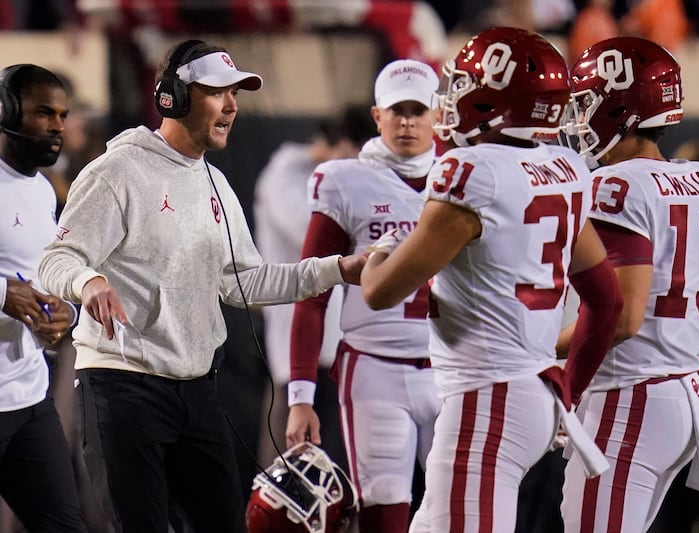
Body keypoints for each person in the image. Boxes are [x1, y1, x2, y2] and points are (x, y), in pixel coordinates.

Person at [37, 39, 365, 533]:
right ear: (174, 98)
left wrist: (338, 269)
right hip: (124, 387)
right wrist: (89, 281)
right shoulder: (118, 171)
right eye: (218, 93)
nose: (232, 105)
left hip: (196, 391)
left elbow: (243, 282)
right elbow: (56, 259)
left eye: (236, 93)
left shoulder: (215, 183)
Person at [361, 27, 623, 532]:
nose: (454, 95)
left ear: (493, 98)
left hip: (489, 400)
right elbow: (606, 300)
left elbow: (381, 291)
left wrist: (379, 255)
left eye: (464, 83)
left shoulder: (472, 170)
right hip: (531, 392)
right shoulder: (565, 167)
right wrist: (567, 385)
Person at [558, 36, 699, 533]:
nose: (579, 119)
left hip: (625, 397)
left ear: (620, 110)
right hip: (679, 397)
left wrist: (549, 363)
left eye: (587, 103)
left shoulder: (615, 185)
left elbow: (622, 318)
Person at [285, 58, 441, 532]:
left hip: (452, 370)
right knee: (384, 513)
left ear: (438, 114)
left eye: (418, 109)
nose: (408, 121)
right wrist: (300, 395)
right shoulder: (345, 181)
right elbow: (310, 290)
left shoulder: (464, 177)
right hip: (375, 369)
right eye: (398, 110)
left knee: (461, 512)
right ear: (377, 116)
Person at [252, 104, 373, 469]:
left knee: (335, 462)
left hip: (336, 343)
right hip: (293, 340)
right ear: (340, 147)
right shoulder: (283, 176)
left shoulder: (322, 177)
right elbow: (314, 234)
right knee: (287, 466)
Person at [0, 63, 86, 532]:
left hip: (27, 395)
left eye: (62, 114)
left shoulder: (41, 191)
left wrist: (63, 313)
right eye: (43, 113)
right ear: (5, 112)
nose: (58, 126)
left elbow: (42, 279)